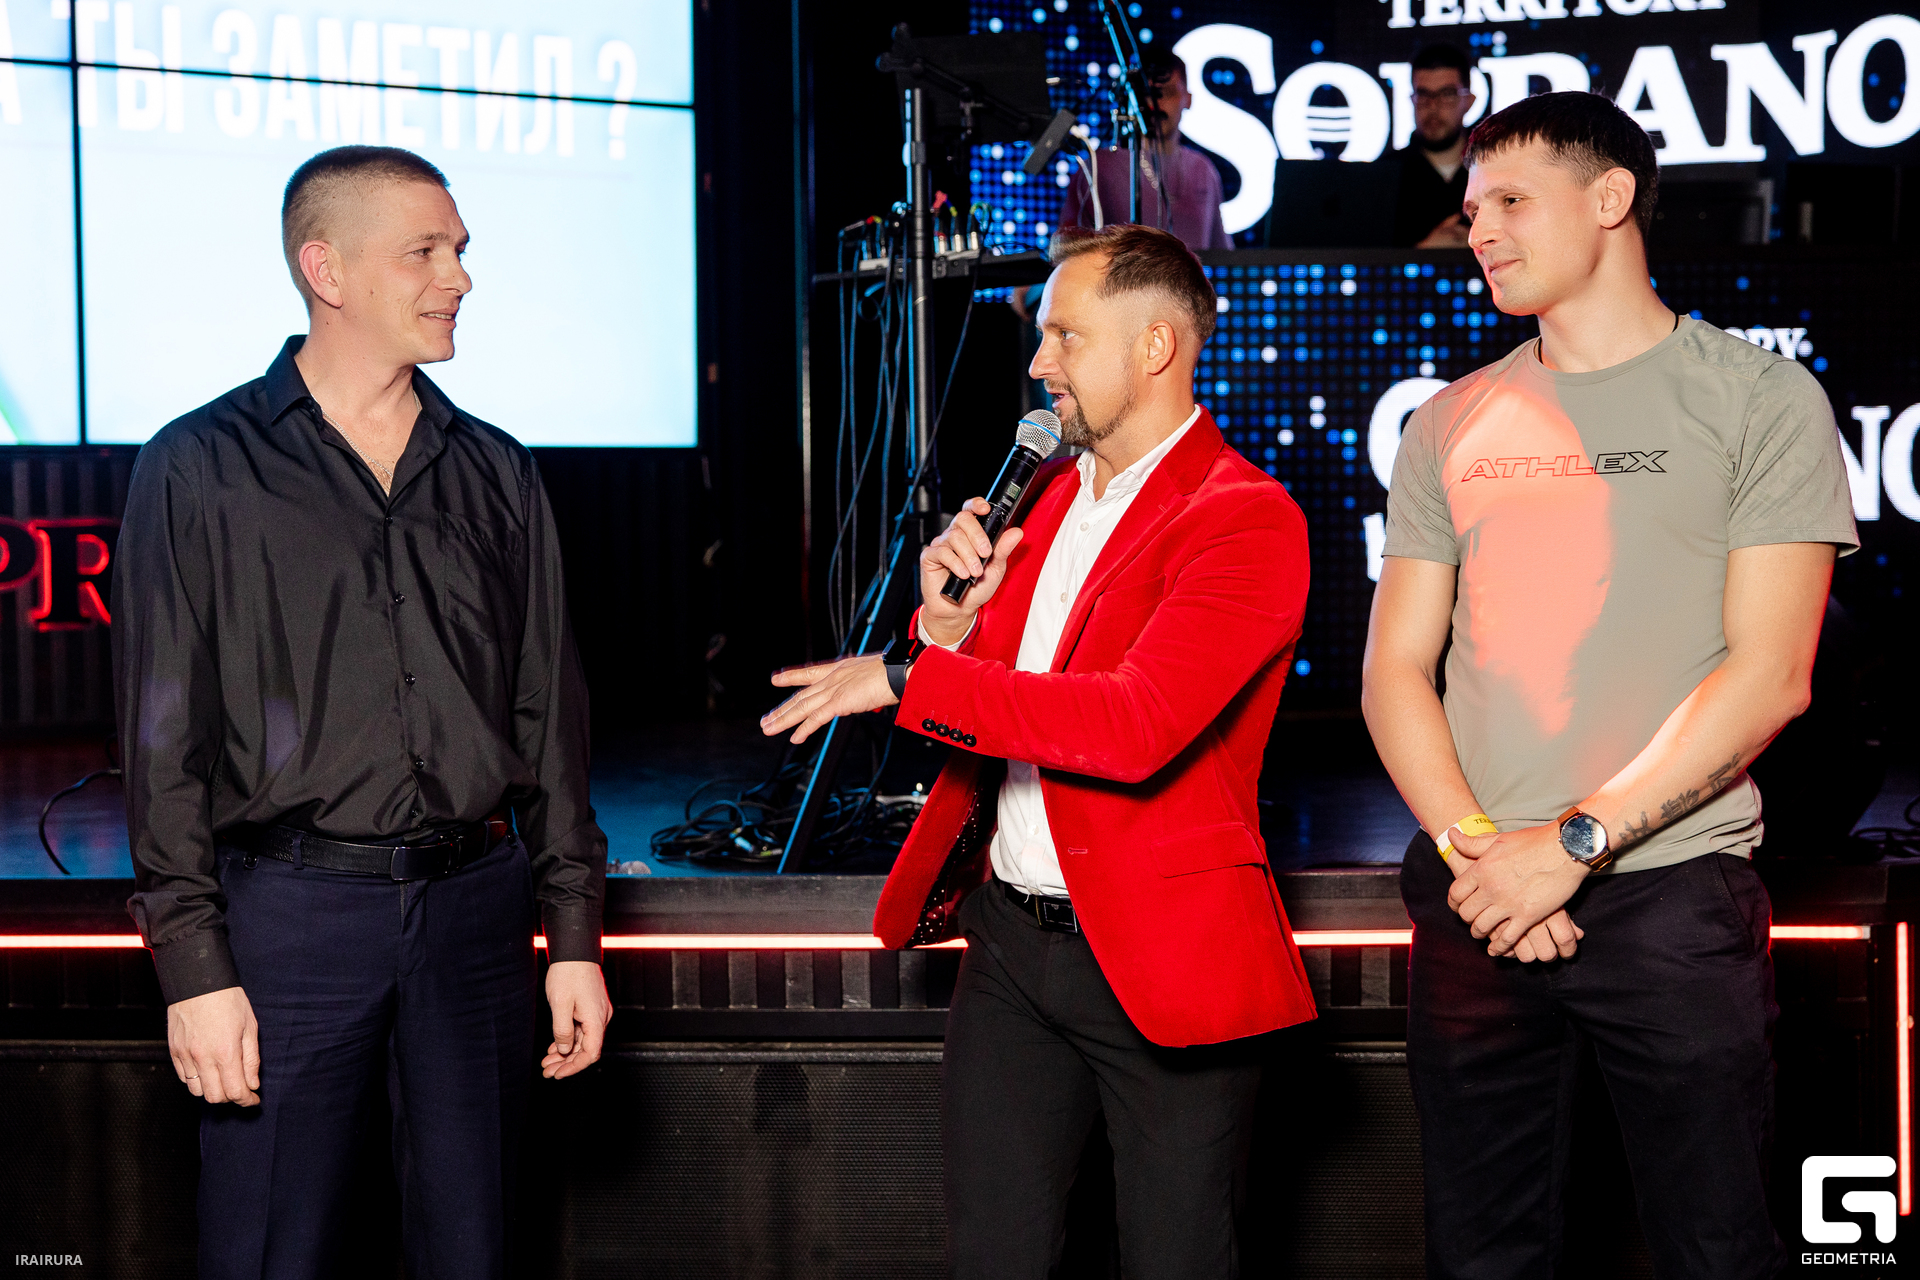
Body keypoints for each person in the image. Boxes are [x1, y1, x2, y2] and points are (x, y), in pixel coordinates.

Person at [1362, 92, 1856, 1278]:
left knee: (1714, 1250)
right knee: (1480, 1257)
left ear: (1611, 197)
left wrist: (1571, 843)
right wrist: (1486, 854)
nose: (1480, 229)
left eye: (1511, 200)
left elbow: (1772, 676)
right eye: (1472, 207)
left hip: (1672, 898)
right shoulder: (1448, 420)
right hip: (1482, 897)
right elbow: (1393, 670)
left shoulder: (1759, 398)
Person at [760, 223, 1313, 1278]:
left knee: (1178, 1258)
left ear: (1155, 346)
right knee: (994, 1254)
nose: (1038, 361)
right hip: (1012, 947)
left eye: (1065, 335)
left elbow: (1132, 725)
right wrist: (944, 630)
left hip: (1158, 956)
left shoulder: (1246, 519)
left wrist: (907, 676)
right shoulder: (1048, 499)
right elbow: (998, 698)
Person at [113, 145, 612, 1279]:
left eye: (460, 251)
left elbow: (549, 721)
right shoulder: (197, 467)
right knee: (270, 1251)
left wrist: (573, 939)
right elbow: (161, 741)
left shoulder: (498, 470)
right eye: (424, 252)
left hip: (477, 921)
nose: (459, 278)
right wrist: (195, 968)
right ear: (325, 268)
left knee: (478, 1250)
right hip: (288, 923)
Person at [1055, 51, 1230, 254]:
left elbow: (1223, 256)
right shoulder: (1100, 167)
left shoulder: (1203, 170)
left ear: (1188, 99)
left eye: (1166, 93)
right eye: (1146, 94)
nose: (1154, 105)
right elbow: (1067, 251)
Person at [1390, 44, 1477, 248]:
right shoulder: (1385, 176)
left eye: (1446, 94)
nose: (1433, 106)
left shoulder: (1493, 169)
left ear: (1468, 101)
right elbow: (1365, 260)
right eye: (1423, 95)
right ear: (1412, 100)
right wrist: (1426, 252)